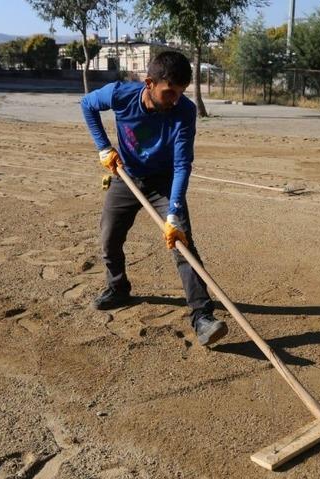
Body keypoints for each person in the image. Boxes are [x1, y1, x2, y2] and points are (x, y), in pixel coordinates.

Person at [80, 51, 228, 347]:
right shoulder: (121, 94)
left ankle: (202, 317)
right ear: (149, 83)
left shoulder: (184, 111)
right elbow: (87, 105)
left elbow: (182, 163)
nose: (175, 99)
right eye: (169, 92)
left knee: (181, 244)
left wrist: (173, 212)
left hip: (164, 182)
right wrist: (103, 147)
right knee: (109, 236)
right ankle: (118, 287)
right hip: (127, 176)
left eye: (180, 93)